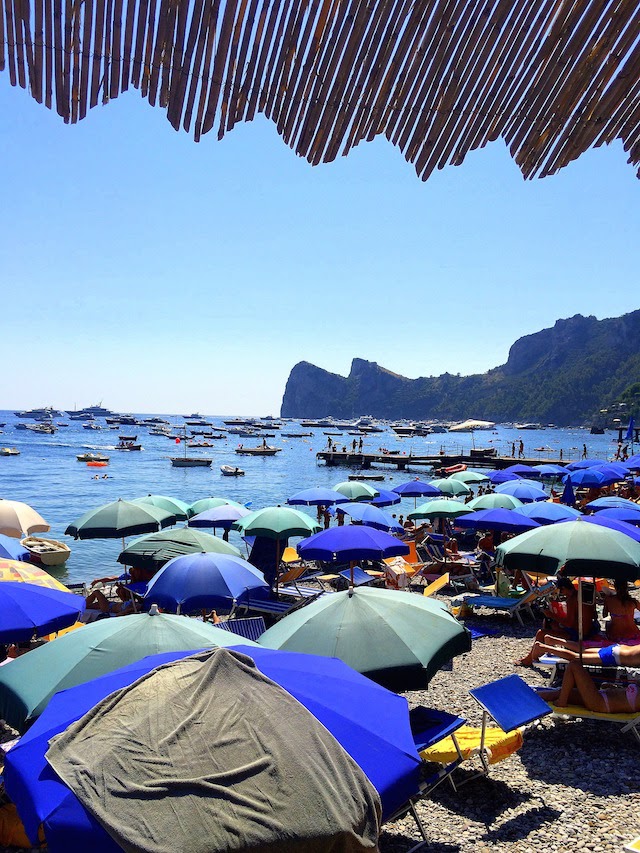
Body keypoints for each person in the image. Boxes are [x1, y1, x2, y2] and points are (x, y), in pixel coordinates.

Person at [515, 577, 599, 666]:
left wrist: (551, 614)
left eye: (561, 591)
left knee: (541, 632)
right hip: (590, 630)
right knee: (552, 623)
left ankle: (529, 660)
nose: (562, 594)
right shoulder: (583, 597)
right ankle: (546, 650)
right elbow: (593, 616)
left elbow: (569, 623)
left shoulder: (571, 599)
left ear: (564, 588)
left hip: (578, 634)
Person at [539, 660, 640, 713]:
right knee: (559, 692)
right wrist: (614, 689)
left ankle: (562, 702)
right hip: (601, 696)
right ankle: (527, 698)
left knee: (574, 665)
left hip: (599, 702)